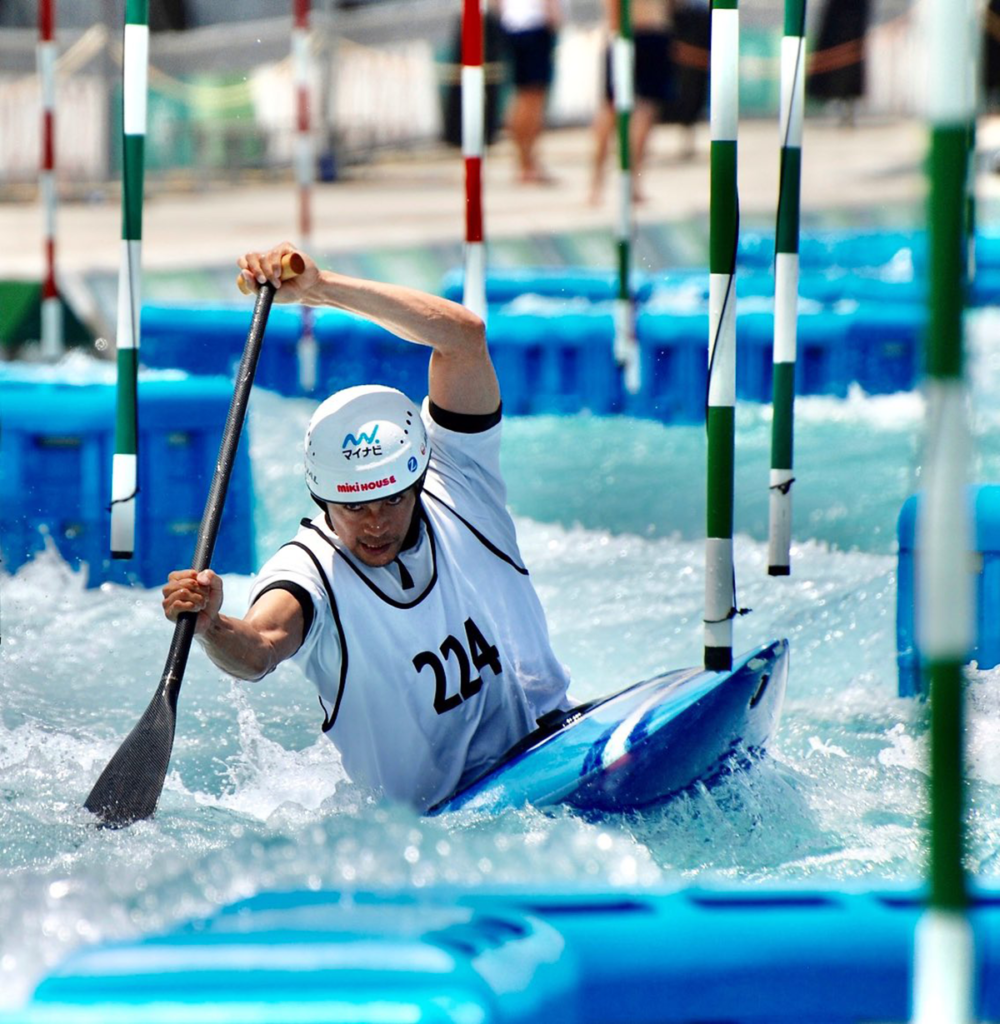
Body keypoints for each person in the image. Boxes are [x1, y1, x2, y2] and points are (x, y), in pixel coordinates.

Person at [162, 243, 573, 813]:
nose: (375, 522)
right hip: (435, 828)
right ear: (322, 497)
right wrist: (211, 626)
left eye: (393, 500)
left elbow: (462, 335)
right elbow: (259, 647)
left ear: (419, 475)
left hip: (551, 743)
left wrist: (320, 287)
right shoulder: (309, 571)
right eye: (354, 508)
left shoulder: (458, 475)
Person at [589, 0, 677, 205]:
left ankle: (600, 185)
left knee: (614, 110)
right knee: (636, 111)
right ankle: (625, 185)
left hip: (625, 31)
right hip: (646, 29)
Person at [498, 0, 562, 184]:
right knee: (533, 98)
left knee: (522, 96)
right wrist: (553, 14)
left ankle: (524, 161)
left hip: (513, 23)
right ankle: (528, 163)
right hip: (534, 23)